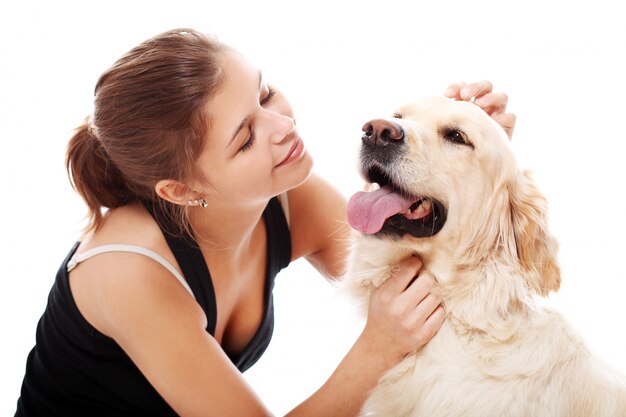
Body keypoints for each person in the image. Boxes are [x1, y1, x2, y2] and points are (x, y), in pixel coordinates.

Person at [14, 28, 516, 417]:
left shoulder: (293, 200)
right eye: (245, 138)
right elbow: (394, 328)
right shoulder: (127, 272)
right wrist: (376, 350)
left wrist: (475, 153)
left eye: (265, 93)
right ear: (182, 190)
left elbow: (430, 290)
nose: (282, 126)